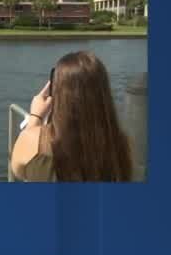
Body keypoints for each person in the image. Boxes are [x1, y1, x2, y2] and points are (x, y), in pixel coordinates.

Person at [11, 51, 133, 181]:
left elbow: (19, 172)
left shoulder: (33, 140)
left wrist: (36, 116)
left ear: (57, 91)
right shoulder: (121, 143)